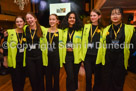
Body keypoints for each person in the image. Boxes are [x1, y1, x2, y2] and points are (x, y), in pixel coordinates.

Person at [96, 7, 136, 91]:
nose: (115, 16)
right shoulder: (106, 29)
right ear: (110, 16)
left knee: (118, 82)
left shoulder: (129, 29)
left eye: (118, 14)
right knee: (106, 82)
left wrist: (126, 53)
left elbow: (133, 45)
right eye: (113, 14)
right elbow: (102, 45)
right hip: (107, 59)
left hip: (120, 60)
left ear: (122, 16)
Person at [60, 11, 83, 91]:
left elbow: (83, 44)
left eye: (74, 18)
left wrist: (82, 57)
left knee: (75, 75)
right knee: (70, 75)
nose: (72, 19)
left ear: (76, 19)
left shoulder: (80, 31)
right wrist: (64, 47)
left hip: (77, 56)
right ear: (67, 19)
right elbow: (60, 43)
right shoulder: (63, 30)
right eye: (70, 18)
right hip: (67, 56)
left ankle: (74, 89)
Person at [24, 12, 48, 91]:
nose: (29, 20)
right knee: (32, 77)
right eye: (27, 19)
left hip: (39, 56)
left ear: (35, 19)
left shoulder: (42, 29)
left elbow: (52, 31)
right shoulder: (25, 29)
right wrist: (7, 32)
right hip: (29, 57)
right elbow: (16, 30)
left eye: (31, 18)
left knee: (40, 76)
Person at [82, 9, 103, 91]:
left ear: (99, 16)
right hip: (87, 56)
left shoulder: (103, 28)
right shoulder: (86, 27)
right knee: (88, 77)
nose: (92, 17)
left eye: (94, 15)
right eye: (91, 15)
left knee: (98, 77)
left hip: (98, 57)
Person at [3, 16, 26, 91]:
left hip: (24, 61)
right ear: (15, 23)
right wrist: (5, 60)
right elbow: (5, 47)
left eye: (21, 21)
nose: (19, 23)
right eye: (17, 22)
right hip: (13, 61)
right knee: (15, 80)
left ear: (24, 23)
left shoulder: (26, 33)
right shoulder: (10, 33)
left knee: (22, 80)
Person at [44, 14, 62, 91]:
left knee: (56, 77)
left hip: (56, 57)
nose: (51, 21)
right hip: (46, 57)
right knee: (47, 77)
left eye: (53, 19)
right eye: (50, 19)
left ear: (57, 21)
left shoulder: (61, 32)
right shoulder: (44, 30)